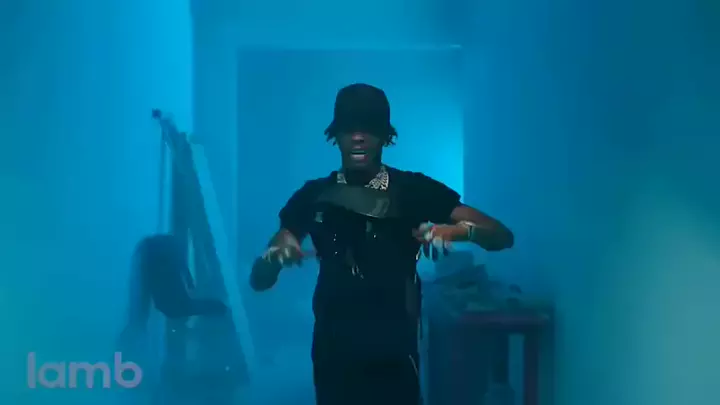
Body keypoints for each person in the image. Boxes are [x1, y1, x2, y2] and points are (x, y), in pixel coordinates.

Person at [249, 83, 514, 405]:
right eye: (349, 128)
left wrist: (456, 232)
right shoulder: (313, 196)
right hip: (334, 355)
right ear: (336, 135)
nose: (358, 137)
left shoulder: (413, 190)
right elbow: (261, 278)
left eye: (369, 128)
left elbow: (500, 235)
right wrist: (275, 257)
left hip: (395, 355)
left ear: (385, 136)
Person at [125, 234, 227, 331]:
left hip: (154, 251)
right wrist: (188, 280)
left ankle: (220, 308)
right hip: (155, 251)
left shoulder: (172, 305)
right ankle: (220, 308)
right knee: (172, 307)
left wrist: (188, 279)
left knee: (172, 307)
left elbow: (144, 292)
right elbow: (144, 292)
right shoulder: (172, 305)